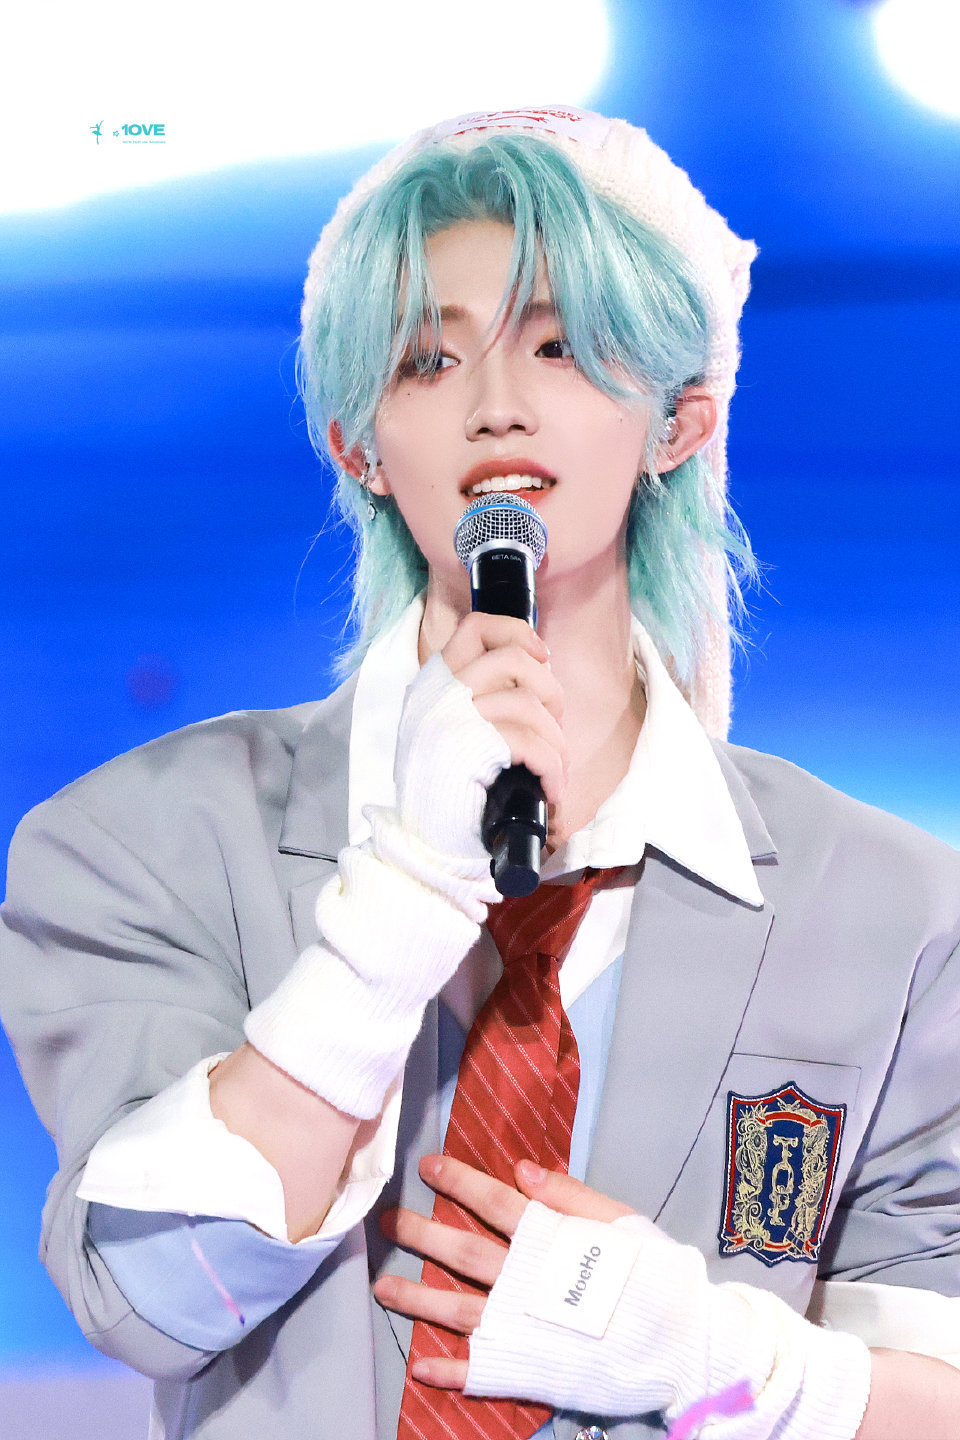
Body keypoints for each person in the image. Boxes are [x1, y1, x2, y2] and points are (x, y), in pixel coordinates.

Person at [1, 105, 959, 1440]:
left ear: (681, 422)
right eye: (429, 358)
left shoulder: (891, 911)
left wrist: (707, 1358)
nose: (497, 402)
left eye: (561, 347)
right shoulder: (141, 841)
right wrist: (401, 899)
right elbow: (153, 1299)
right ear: (359, 445)